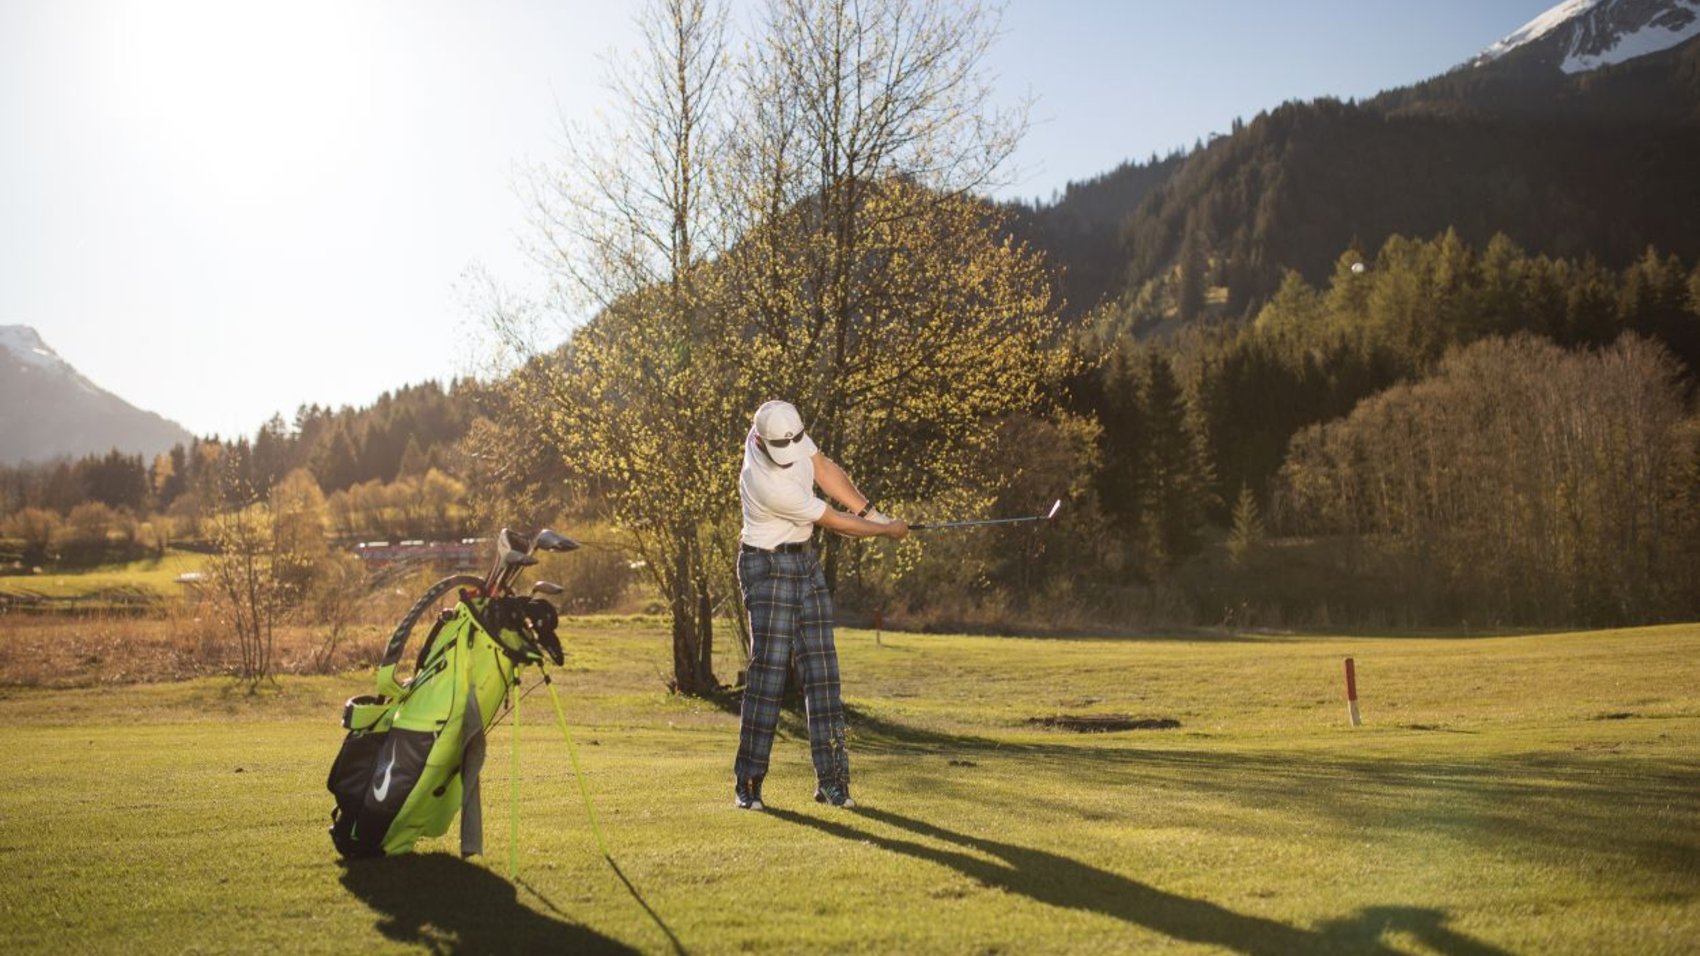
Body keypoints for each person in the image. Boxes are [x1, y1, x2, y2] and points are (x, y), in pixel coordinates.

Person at [733, 399, 908, 810]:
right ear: (758, 439)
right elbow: (833, 520)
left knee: (823, 673)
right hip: (766, 565)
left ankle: (833, 783)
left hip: (804, 562)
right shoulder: (764, 483)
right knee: (770, 675)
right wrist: (885, 532)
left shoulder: (784, 429)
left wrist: (875, 513)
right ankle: (749, 782)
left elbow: (825, 470)